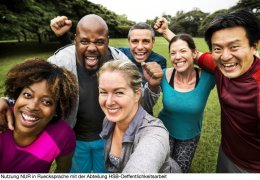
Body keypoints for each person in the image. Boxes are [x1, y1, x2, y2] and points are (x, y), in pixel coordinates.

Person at [0, 14, 163, 173]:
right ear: (75, 40)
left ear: (107, 41)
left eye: (99, 42)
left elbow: (142, 103)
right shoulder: (60, 62)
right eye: (84, 41)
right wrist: (6, 101)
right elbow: (32, 87)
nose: (91, 48)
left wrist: (154, 86)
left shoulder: (122, 64)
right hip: (74, 140)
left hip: (109, 138)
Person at [155, 9, 260, 173]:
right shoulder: (218, 66)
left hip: (251, 167)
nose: (225, 57)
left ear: (254, 46)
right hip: (226, 152)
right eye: (217, 48)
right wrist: (166, 31)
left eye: (234, 47)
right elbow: (190, 54)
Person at [98, 59, 181, 173]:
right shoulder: (108, 120)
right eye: (103, 92)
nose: (108, 102)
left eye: (119, 92)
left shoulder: (155, 133)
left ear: (137, 94)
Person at [0, 58, 78, 173]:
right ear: (17, 95)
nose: (32, 107)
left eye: (46, 102)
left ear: (57, 108)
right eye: (27, 95)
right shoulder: (1, 119)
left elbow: (63, 170)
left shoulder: (62, 135)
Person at [153, 28, 215, 172]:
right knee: (160, 169)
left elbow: (224, 62)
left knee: (179, 171)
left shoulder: (208, 76)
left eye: (183, 51)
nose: (177, 57)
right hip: (163, 131)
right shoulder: (162, 75)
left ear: (194, 53)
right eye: (173, 53)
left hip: (190, 136)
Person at [50, 16, 167, 86]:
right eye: (135, 41)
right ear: (129, 41)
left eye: (146, 41)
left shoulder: (159, 61)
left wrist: (166, 32)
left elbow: (182, 56)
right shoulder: (120, 55)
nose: (140, 47)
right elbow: (87, 53)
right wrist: (63, 38)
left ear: (153, 41)